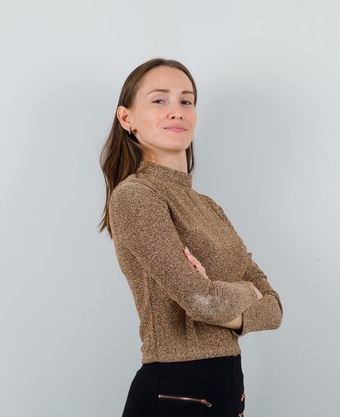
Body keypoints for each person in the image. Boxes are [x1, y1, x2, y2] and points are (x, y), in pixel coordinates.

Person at [98, 57, 283, 417]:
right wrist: (249, 293)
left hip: (227, 389)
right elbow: (201, 301)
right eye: (159, 100)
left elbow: (275, 309)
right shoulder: (136, 196)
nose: (176, 111)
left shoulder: (207, 206)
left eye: (186, 100)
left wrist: (219, 294)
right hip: (175, 390)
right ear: (126, 118)